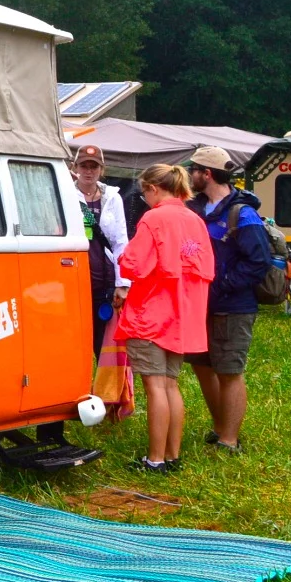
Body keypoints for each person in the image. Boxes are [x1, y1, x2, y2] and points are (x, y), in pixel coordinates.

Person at [113, 164, 214, 474]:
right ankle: (171, 456)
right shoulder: (194, 220)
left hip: (152, 315)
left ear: (153, 189)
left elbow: (132, 264)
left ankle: (154, 460)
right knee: (171, 385)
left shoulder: (154, 218)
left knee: (155, 387)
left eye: (145, 192)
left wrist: (120, 257)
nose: (144, 198)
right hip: (183, 317)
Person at [185, 145, 271, 453]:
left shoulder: (242, 213)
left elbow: (258, 262)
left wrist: (221, 285)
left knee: (229, 371)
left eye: (193, 170)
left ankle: (230, 440)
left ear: (206, 174)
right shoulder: (194, 208)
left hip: (233, 306)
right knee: (202, 366)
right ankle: (220, 427)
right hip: (200, 306)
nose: (189, 175)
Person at [70, 144, 131, 355]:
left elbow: (121, 241)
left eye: (94, 167)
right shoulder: (66, 194)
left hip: (103, 280)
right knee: (77, 338)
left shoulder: (113, 198)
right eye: (84, 166)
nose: (88, 171)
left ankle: (103, 386)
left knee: (103, 340)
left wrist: (122, 283)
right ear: (75, 167)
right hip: (73, 278)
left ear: (101, 170)